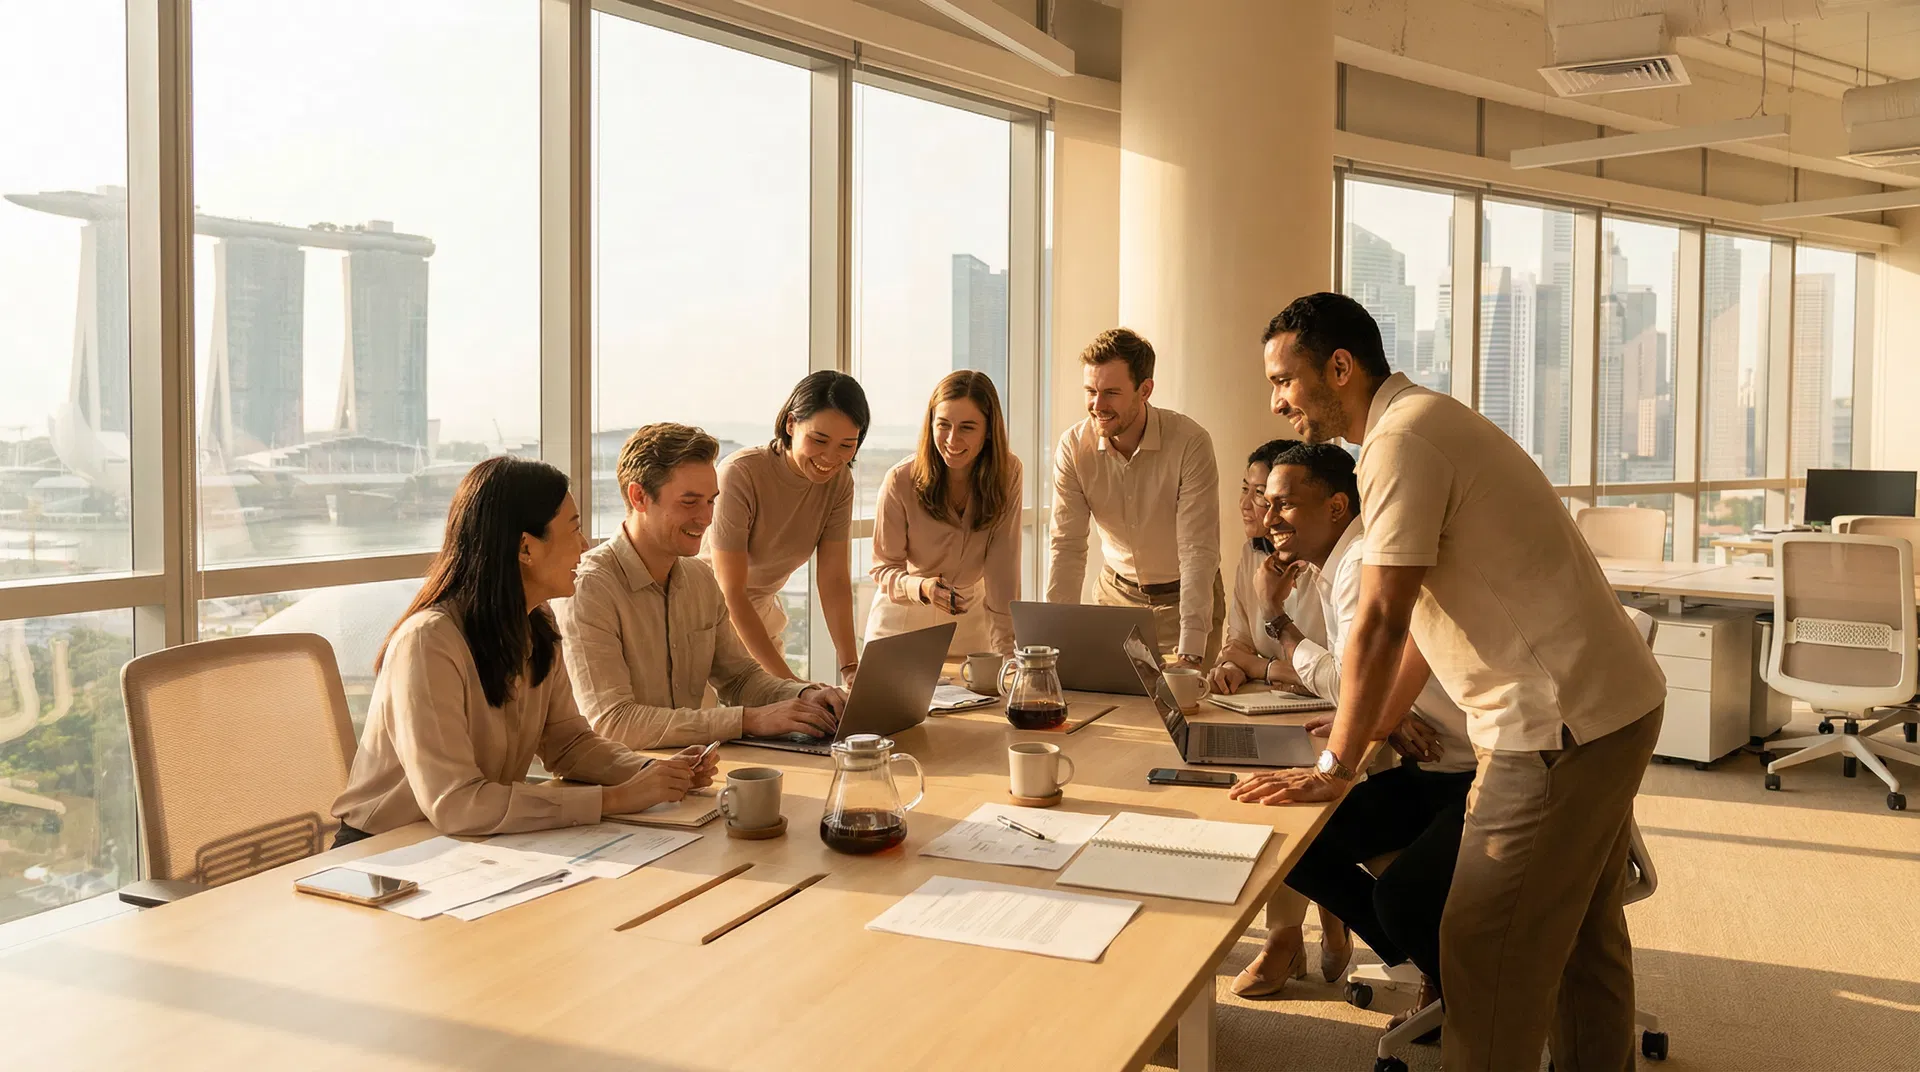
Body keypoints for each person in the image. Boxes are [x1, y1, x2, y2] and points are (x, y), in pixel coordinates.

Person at [1246, 293, 1666, 1072]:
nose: (1275, 401)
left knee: (1481, 953)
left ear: (1340, 367)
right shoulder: (1421, 424)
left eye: (1284, 380)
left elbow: (1379, 621)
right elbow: (1420, 636)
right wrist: (1363, 740)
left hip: (1554, 727)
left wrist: (1335, 769)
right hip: (1614, 708)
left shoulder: (1400, 442)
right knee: (1582, 940)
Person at [331, 457, 717, 844]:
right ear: (525, 548)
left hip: (469, 845)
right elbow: (456, 803)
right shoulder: (428, 641)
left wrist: (654, 771)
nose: (584, 546)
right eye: (574, 529)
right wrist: (615, 799)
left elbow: (569, 744)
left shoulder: (537, 622)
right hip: (383, 852)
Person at [1229, 441, 1477, 1024]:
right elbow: (1360, 684)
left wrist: (1363, 716)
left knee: (1396, 895)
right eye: (1265, 503)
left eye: (1284, 504)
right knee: (1293, 841)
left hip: (1468, 768)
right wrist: (1372, 718)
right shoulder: (1331, 567)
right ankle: (1435, 968)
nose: (1268, 518)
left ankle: (1464, 987)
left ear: (1338, 506)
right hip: (1431, 762)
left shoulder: (1359, 564)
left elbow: (1347, 679)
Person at [557, 423, 849, 749]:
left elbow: (740, 679)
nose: (706, 518)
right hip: (617, 787)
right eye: (689, 502)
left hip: (691, 773)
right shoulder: (587, 588)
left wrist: (807, 695)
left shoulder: (699, 579)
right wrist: (747, 720)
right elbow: (613, 723)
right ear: (639, 497)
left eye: (711, 501)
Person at [1045, 327, 1223, 666]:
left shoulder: (1190, 442)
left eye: (1111, 392)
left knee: (1187, 712)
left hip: (1185, 596)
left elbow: (1198, 550)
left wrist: (1192, 646)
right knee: (1116, 711)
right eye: (1090, 391)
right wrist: (1054, 636)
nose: (1097, 405)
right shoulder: (1073, 447)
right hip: (1116, 596)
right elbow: (1067, 546)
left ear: (1145, 390)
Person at [709, 371, 869, 685]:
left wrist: (851, 667)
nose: (830, 457)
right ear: (791, 424)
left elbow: (834, 578)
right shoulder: (741, 473)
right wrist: (789, 685)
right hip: (706, 618)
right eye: (819, 440)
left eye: (846, 445)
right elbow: (731, 592)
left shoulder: (838, 483)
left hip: (761, 621)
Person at [867, 370, 1022, 655]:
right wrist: (922, 588)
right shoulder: (900, 480)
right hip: (902, 623)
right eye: (943, 425)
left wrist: (1008, 652)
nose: (952, 439)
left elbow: (1003, 568)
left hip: (969, 623)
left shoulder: (1008, 474)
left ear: (988, 431)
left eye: (967, 427)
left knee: (982, 699)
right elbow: (883, 568)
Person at [1209, 438, 1326, 698]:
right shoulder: (1252, 552)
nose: (1245, 503)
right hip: (1276, 702)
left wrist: (1260, 668)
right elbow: (1239, 644)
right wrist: (1231, 668)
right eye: (1244, 488)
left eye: (1259, 493)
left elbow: (1336, 675)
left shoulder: (1323, 561)